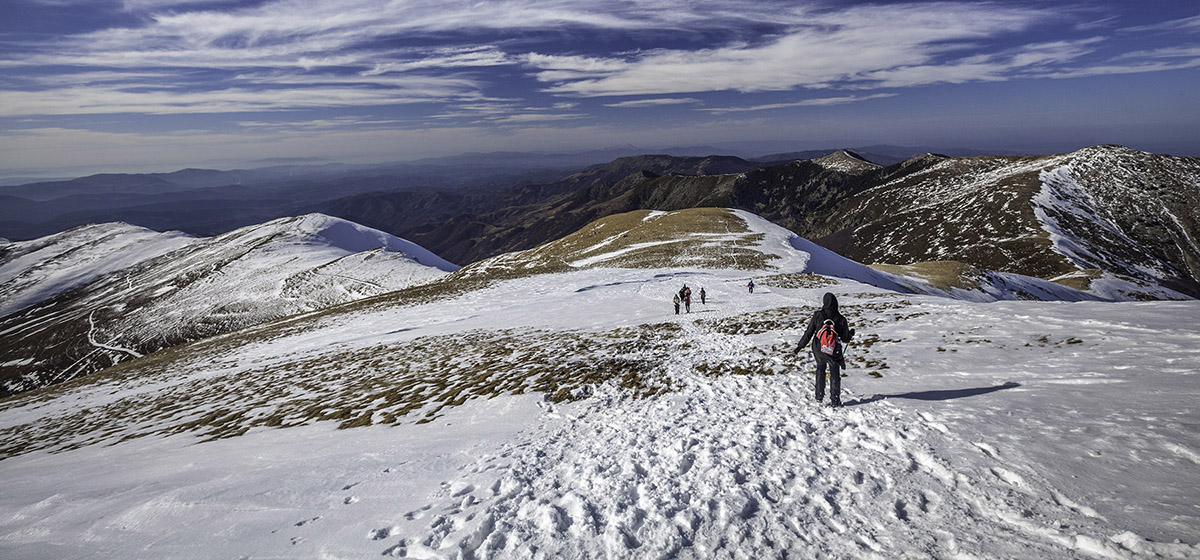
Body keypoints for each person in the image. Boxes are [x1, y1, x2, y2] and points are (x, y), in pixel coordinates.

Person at [795, 292, 855, 407]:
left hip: (819, 349)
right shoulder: (841, 319)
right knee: (834, 374)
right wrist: (850, 334)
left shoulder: (818, 315)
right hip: (833, 351)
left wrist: (800, 346)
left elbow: (809, 332)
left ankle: (819, 396)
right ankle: (835, 400)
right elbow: (845, 338)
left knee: (820, 370)